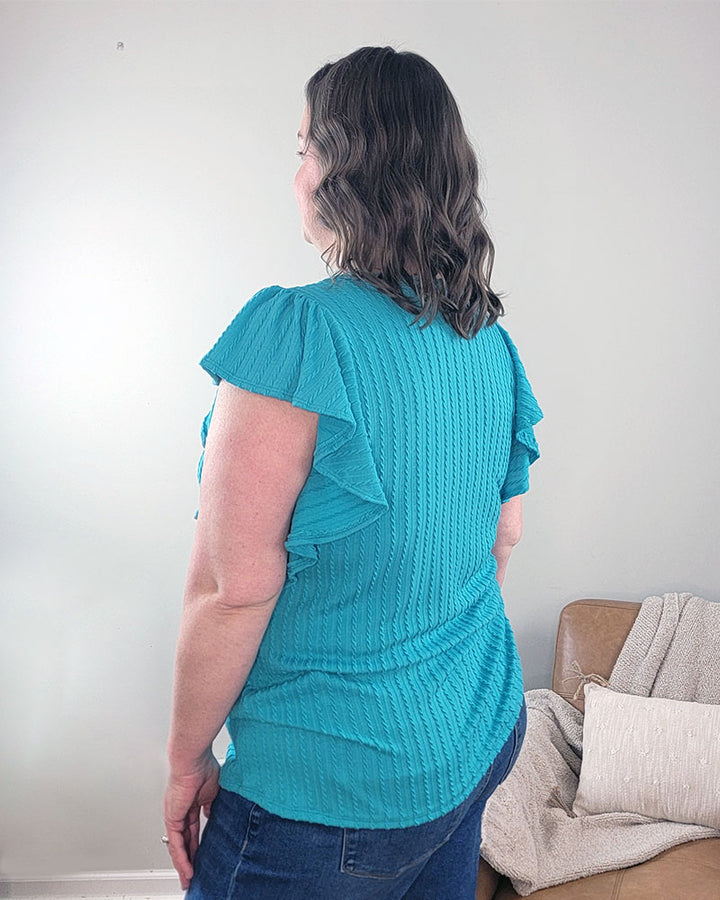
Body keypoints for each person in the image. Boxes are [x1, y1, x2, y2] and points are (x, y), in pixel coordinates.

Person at [163, 45, 542, 900]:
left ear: (344, 168)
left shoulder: (295, 334)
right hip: (477, 731)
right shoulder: (489, 343)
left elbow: (232, 589)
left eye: (304, 149)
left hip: (332, 794)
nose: (296, 172)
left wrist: (186, 762)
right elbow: (502, 535)